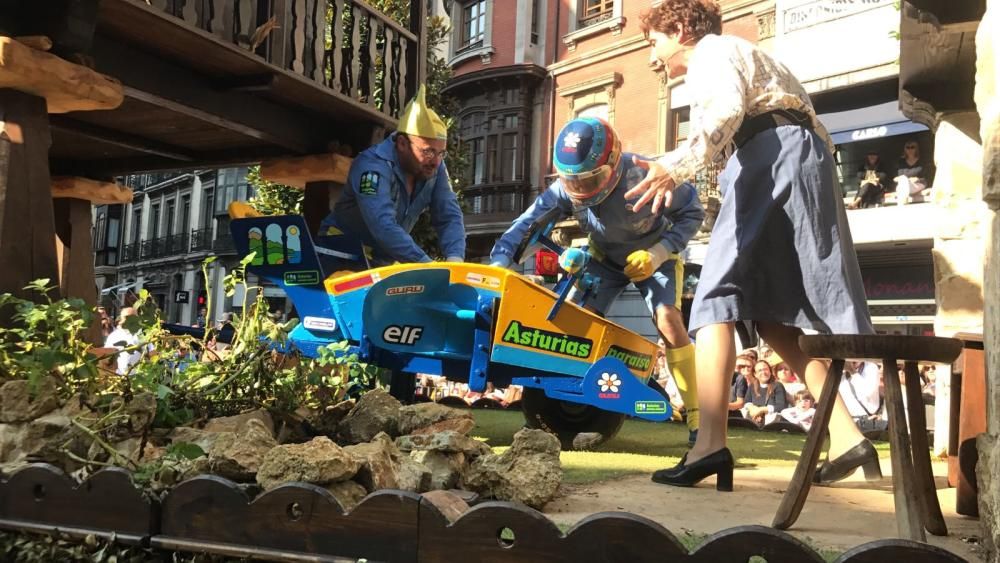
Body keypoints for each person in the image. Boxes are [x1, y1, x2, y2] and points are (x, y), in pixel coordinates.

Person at [631, 0, 875, 491]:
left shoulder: (712, 53)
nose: (652, 57)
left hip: (772, 157)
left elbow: (724, 113)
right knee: (771, 320)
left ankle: (710, 445)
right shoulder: (745, 54)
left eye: (654, 42)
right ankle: (849, 437)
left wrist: (672, 166)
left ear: (679, 30)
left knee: (714, 300)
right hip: (791, 157)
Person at [490, 117, 706, 446]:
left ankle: (696, 416)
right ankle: (562, 404)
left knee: (669, 321)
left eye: (590, 180)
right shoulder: (566, 188)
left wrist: (659, 253)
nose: (580, 190)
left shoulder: (647, 173)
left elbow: (693, 211)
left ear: (613, 164)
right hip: (603, 259)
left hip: (654, 257)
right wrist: (500, 263)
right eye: (572, 182)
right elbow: (526, 223)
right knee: (575, 322)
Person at [318, 86, 465, 268]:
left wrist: (455, 259)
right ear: (402, 143)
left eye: (441, 153)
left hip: (381, 260)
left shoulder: (435, 168)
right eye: (428, 152)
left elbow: (448, 215)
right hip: (339, 254)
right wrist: (426, 266)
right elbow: (382, 225)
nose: (435, 162)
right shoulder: (371, 166)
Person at [742, 360, 789, 427]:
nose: (763, 372)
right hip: (753, 420)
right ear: (755, 374)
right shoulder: (752, 386)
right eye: (760, 370)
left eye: (765, 369)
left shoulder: (777, 385)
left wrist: (761, 410)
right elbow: (746, 402)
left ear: (770, 371)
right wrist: (753, 408)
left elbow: (781, 406)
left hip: (771, 422)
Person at [104, 307, 143, 375]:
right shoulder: (114, 336)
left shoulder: (142, 334)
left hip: (138, 377)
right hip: (119, 376)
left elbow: (152, 353)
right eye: (127, 317)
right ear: (122, 319)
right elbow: (106, 356)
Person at [894, 139, 932, 205]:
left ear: (916, 149)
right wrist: (902, 179)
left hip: (918, 183)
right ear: (905, 149)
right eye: (908, 147)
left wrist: (917, 179)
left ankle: (902, 204)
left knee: (903, 187)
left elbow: (926, 176)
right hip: (903, 184)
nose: (910, 150)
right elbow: (895, 178)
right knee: (903, 180)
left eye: (912, 147)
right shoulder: (901, 162)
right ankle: (905, 200)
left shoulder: (922, 160)